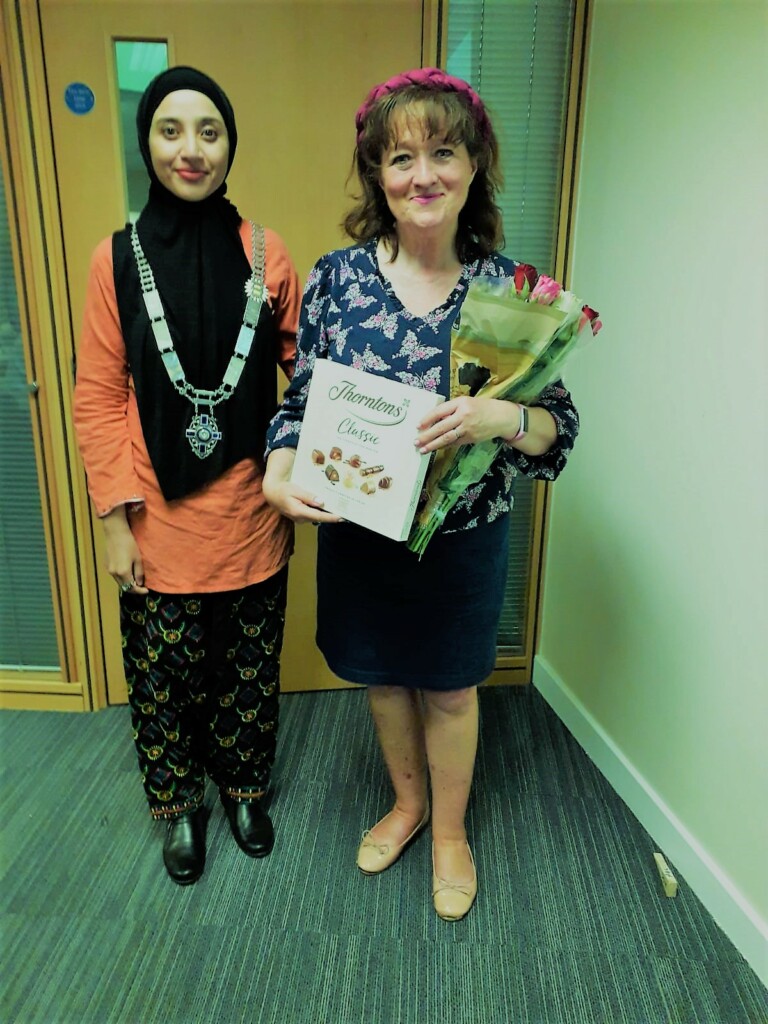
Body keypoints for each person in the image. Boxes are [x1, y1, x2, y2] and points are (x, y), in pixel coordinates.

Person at [262, 67, 579, 920]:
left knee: (445, 687)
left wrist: (498, 416)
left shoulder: (514, 295)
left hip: (463, 538)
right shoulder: (335, 279)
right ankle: (405, 805)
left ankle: (448, 832)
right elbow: (300, 402)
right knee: (382, 679)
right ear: (377, 172)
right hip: (360, 530)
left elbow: (557, 431)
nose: (423, 174)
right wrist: (278, 468)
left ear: (475, 164)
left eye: (444, 151)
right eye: (401, 157)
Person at [73, 67, 301, 885]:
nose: (190, 149)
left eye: (210, 130)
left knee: (247, 663)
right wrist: (112, 521)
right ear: (148, 143)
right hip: (155, 519)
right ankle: (180, 809)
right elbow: (98, 395)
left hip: (250, 511)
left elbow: (307, 379)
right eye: (171, 130)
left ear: (230, 145)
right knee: (165, 679)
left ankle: (243, 791)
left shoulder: (268, 256)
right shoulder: (114, 260)